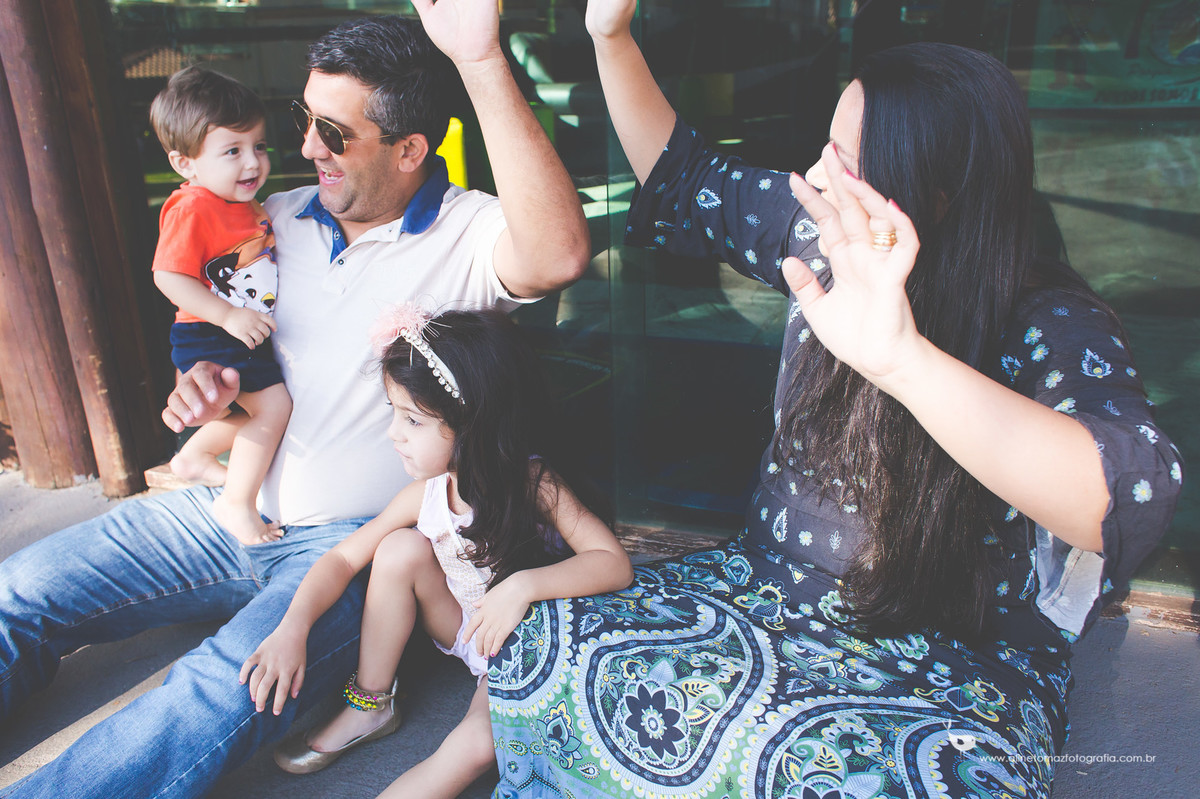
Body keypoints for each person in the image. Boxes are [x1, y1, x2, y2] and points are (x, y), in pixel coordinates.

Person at [487, 2, 1183, 797]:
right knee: (535, 649)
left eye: (845, 162)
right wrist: (608, 32)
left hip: (948, 655)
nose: (817, 177)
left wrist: (902, 359)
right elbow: (685, 176)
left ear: (936, 195)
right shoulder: (818, 234)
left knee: (846, 776)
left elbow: (1123, 493)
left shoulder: (1050, 319)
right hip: (763, 590)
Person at [0, 1, 588, 796]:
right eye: (304, 120)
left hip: (349, 547)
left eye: (334, 133)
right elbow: (218, 342)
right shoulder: (268, 218)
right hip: (223, 507)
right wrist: (206, 391)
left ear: (411, 148)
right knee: (20, 590)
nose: (306, 146)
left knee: (209, 694)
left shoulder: (467, 233)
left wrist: (481, 60)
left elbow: (558, 253)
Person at [239, 306, 633, 797]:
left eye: (413, 420)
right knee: (399, 548)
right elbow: (342, 559)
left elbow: (613, 563)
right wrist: (291, 627)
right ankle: (370, 702)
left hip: (525, 646)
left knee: (474, 747)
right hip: (469, 629)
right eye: (394, 413)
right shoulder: (425, 496)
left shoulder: (532, 485)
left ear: (473, 424)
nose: (393, 434)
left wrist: (523, 586)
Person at [148, 65, 293, 545]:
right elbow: (168, 275)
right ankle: (237, 504)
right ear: (185, 163)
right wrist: (227, 316)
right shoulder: (194, 206)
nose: (252, 163)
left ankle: (190, 460)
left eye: (259, 146)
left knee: (243, 413)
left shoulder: (242, 204)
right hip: (211, 330)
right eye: (232, 151)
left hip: (231, 328)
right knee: (273, 407)